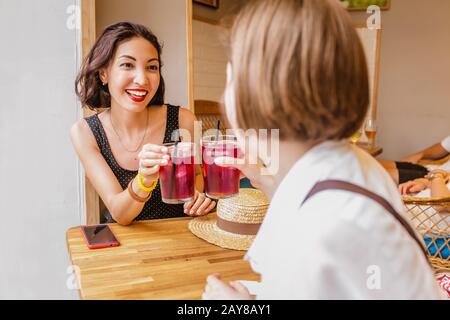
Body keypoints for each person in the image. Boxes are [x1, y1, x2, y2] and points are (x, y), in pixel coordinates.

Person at [202, 0, 443, 299]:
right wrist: (267, 180)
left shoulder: (324, 228)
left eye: (230, 79)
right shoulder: (351, 163)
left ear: (261, 93)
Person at [71, 22, 216, 225]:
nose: (142, 79)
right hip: (129, 247)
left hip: (182, 238)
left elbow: (197, 174)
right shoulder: (85, 132)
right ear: (103, 73)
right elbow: (120, 214)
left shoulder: (183, 119)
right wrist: (144, 180)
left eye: (151, 67)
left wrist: (198, 199)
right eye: (127, 65)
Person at [380, 135, 450, 185]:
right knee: (376, 165)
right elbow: (443, 147)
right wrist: (420, 155)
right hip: (433, 170)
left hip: (441, 178)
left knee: (378, 174)